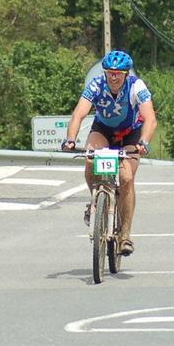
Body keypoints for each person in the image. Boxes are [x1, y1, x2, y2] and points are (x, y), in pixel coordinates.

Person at [61, 50, 157, 256]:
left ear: (125, 74)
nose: (113, 77)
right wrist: (70, 139)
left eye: (118, 73)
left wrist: (144, 142)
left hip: (130, 134)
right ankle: (95, 199)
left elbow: (150, 118)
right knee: (90, 158)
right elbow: (79, 114)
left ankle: (125, 235)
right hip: (103, 130)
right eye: (109, 73)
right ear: (104, 72)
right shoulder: (96, 85)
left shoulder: (136, 86)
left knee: (126, 177)